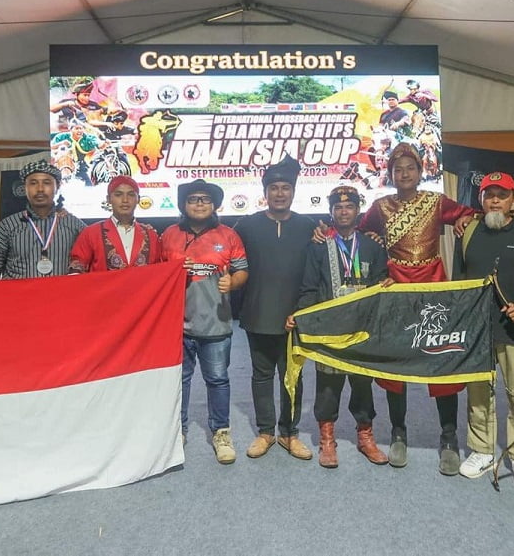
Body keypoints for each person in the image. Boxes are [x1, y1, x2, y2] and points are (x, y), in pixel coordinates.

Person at [355, 143, 476, 471]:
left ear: (421, 172)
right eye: (398, 169)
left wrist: (465, 220)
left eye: (410, 168)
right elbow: (360, 234)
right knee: (397, 362)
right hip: (395, 290)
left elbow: (469, 214)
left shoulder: (436, 202)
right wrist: (372, 240)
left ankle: (448, 436)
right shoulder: (380, 206)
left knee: (441, 359)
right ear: (390, 174)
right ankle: (398, 432)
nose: (404, 173)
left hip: (433, 288)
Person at [451, 172, 514, 490]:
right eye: (489, 194)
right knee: (479, 394)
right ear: (480, 198)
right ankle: (482, 450)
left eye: (502, 195)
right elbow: (458, 281)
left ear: (513, 198)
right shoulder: (466, 231)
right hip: (478, 330)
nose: (495, 200)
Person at [289, 185, 392, 468]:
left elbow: (382, 279)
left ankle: (366, 436)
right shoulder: (318, 246)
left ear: (358, 210)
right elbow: (309, 287)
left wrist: (385, 284)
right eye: (338, 207)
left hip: (361, 329)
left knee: (363, 383)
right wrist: (301, 315)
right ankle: (327, 439)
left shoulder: (372, 245)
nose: (344, 211)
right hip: (330, 329)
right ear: (331, 211)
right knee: (328, 385)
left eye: (349, 206)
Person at [234, 155, 317, 461]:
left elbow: (317, 270)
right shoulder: (247, 225)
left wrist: (304, 309)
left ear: (293, 191)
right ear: (265, 192)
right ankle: (266, 431)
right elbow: (229, 256)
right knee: (261, 375)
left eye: (285, 188)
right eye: (274, 188)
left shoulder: (308, 226)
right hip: (258, 312)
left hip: (295, 316)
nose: (280, 193)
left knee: (292, 377)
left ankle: (290, 433)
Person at [160, 179, 248, 464]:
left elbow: (242, 271)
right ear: (183, 205)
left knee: (218, 380)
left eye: (205, 199)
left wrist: (232, 282)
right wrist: (172, 271)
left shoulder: (228, 235)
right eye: (193, 199)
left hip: (216, 324)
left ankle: (221, 432)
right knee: (179, 381)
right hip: (176, 326)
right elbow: (155, 275)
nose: (199, 204)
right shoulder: (169, 235)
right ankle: (178, 430)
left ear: (215, 205)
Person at [0, 161, 85, 279]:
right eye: (33, 183)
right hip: (17, 291)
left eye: (46, 183)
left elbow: (91, 268)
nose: (40, 189)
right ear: (24, 187)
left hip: (61, 291)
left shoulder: (75, 226)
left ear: (58, 186)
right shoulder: (7, 226)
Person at [68, 175, 162, 272]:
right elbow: (77, 265)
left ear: (138, 199)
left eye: (131, 194)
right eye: (118, 194)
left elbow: (160, 271)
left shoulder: (151, 235)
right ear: (108, 199)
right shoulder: (91, 233)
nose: (125, 200)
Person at [52, 120, 108, 184]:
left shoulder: (87, 138)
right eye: (77, 128)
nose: (79, 131)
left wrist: (103, 144)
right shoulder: (61, 137)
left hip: (80, 168)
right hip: (61, 167)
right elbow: (50, 147)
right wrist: (61, 144)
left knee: (88, 186)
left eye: (81, 128)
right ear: (71, 130)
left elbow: (97, 142)